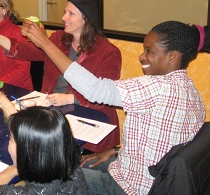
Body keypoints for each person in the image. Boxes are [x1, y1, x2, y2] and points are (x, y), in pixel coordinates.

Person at [22, 20, 208, 194]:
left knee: (50, 177)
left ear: (173, 56)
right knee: (70, 165)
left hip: (131, 187)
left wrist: (45, 44)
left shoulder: (158, 88)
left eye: (149, 51)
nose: (141, 56)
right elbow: (163, 146)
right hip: (137, 171)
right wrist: (115, 151)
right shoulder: (191, 93)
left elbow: (94, 89)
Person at [0, 0, 122, 153]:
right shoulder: (59, 39)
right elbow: (30, 52)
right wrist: (0, 39)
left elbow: (107, 95)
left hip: (89, 120)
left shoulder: (108, 52)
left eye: (71, 14)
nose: (63, 17)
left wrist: (71, 98)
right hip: (54, 111)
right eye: (65, 12)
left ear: (86, 19)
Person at [0, 87, 88, 195]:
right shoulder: (73, 172)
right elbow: (35, 132)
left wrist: (13, 169)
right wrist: (6, 105)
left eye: (11, 139)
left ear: (27, 151)